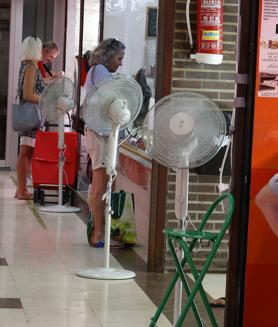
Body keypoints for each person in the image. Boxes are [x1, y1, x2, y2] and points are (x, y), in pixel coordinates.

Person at [84, 38, 125, 247]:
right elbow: (110, 96)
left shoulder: (95, 70)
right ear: (109, 56)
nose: (121, 63)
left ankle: (97, 230)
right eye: (119, 58)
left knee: (96, 186)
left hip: (96, 132)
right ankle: (99, 235)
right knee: (100, 186)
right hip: (99, 134)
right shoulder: (100, 70)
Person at [15, 36, 45, 200]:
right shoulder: (31, 67)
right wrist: (46, 99)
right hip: (31, 115)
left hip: (29, 114)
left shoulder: (26, 65)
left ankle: (21, 189)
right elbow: (28, 94)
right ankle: (21, 190)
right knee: (26, 151)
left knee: (27, 151)